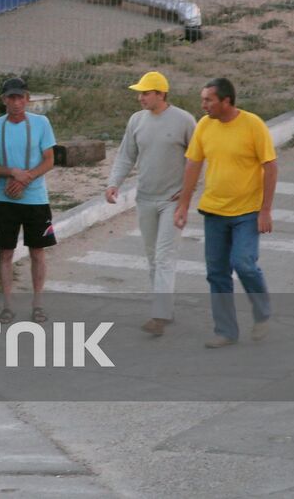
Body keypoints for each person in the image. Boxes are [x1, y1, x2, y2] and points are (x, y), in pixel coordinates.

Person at [174, 77, 276, 348]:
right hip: (214, 211)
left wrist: (265, 210)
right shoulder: (205, 126)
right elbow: (193, 165)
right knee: (217, 272)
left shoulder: (253, 125)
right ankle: (226, 331)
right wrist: (183, 204)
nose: (203, 105)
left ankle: (262, 311)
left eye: (208, 100)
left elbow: (271, 166)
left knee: (243, 263)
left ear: (226, 101)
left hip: (247, 212)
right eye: (203, 99)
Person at [103, 71, 197, 336]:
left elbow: (199, 157)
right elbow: (126, 155)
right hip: (145, 198)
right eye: (140, 93)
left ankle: (159, 315)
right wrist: (114, 183)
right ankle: (164, 307)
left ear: (161, 94)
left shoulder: (184, 121)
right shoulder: (136, 121)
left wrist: (188, 193)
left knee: (165, 256)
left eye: (146, 93)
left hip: (172, 201)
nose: (140, 97)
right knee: (152, 257)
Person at [0, 77, 58, 324]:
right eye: (11, 98)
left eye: (20, 97)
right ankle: (7, 305)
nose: (16, 103)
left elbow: (49, 159)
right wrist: (12, 173)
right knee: (5, 252)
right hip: (5, 197)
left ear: (27, 98)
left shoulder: (41, 123)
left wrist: (26, 178)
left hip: (35, 197)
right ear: (4, 100)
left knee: (38, 251)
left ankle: (38, 304)